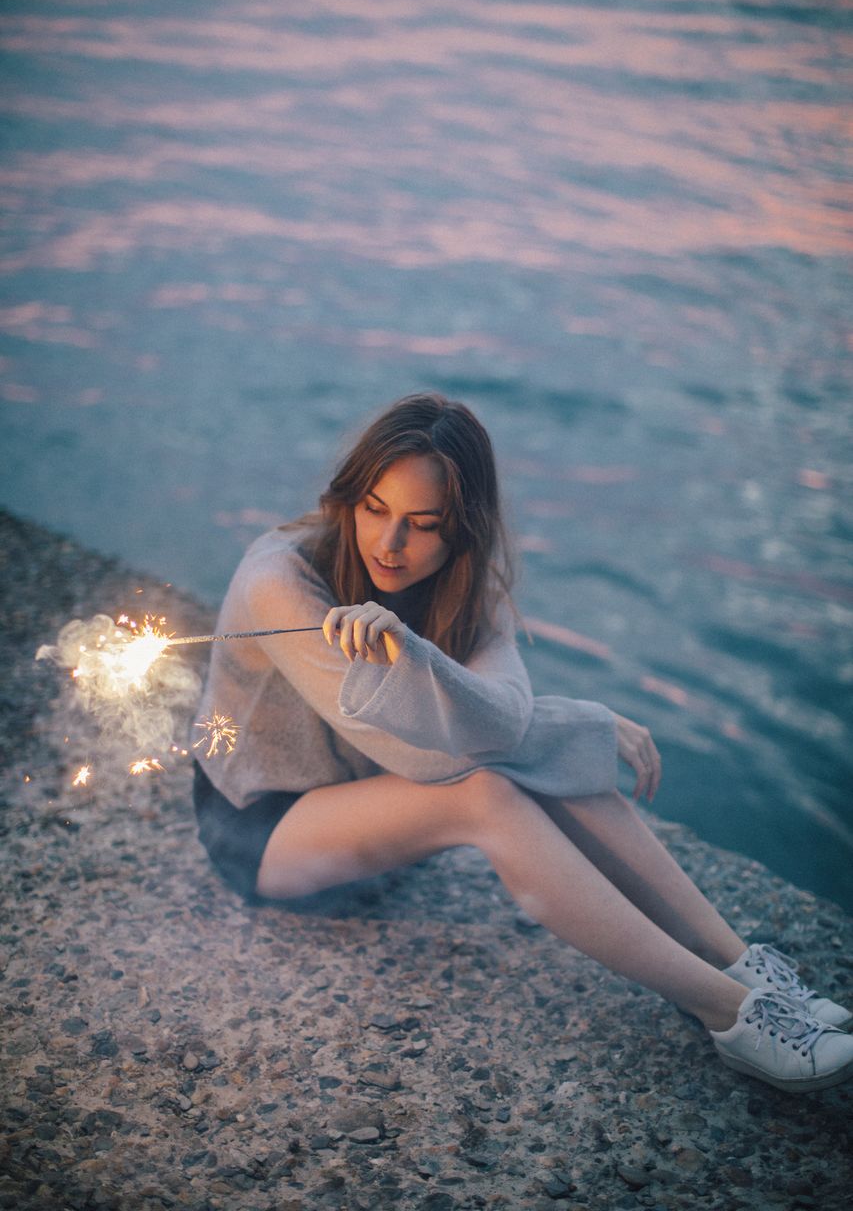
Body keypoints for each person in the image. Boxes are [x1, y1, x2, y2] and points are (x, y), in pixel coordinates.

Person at [192, 392, 853, 1094]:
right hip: (263, 831)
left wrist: (418, 653)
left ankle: (738, 963)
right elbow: (427, 754)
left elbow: (503, 722)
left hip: (377, 815)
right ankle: (732, 1018)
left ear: (460, 532)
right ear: (348, 499)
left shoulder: (471, 596)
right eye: (374, 509)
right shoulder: (280, 584)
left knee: (547, 763)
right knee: (489, 792)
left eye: (421, 524)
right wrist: (589, 724)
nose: (388, 544)